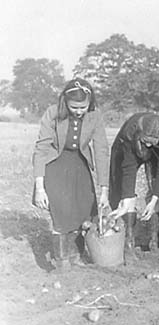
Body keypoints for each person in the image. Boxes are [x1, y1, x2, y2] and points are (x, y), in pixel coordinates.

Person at [32, 78, 109, 271]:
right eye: (74, 107)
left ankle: (76, 255)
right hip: (56, 164)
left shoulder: (95, 116)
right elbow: (41, 149)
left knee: (85, 207)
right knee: (60, 209)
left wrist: (104, 190)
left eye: (83, 107)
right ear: (65, 101)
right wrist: (40, 188)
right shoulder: (52, 113)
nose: (79, 111)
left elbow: (101, 150)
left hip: (79, 163)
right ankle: (61, 260)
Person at [108, 112, 159, 260]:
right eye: (146, 141)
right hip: (125, 150)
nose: (149, 145)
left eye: (153, 142)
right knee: (120, 188)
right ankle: (128, 242)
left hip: (158, 151)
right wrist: (127, 199)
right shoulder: (130, 133)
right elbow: (128, 169)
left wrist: (154, 199)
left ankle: (154, 241)